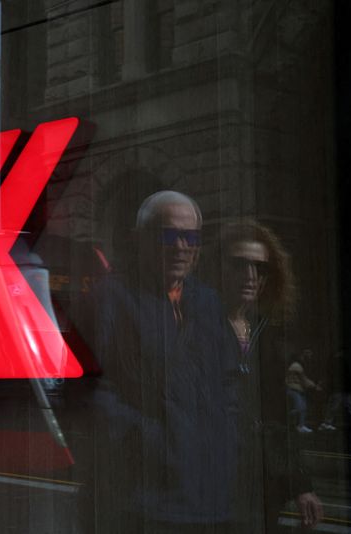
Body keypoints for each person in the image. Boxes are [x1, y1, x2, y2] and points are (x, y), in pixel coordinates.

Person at [93, 191, 238, 532]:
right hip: (143, 501)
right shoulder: (109, 297)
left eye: (191, 237)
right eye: (168, 236)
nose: (181, 247)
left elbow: (229, 382)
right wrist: (150, 440)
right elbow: (90, 389)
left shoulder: (207, 300)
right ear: (140, 240)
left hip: (209, 496)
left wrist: (227, 442)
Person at [219, 220, 323, 530]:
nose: (250, 276)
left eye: (260, 268)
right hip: (213, 482)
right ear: (220, 267)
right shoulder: (199, 323)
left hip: (262, 485)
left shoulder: (266, 332)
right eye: (240, 264)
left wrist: (301, 484)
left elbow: (278, 416)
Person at [319, 349, 351, 431]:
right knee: (336, 406)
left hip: (342, 388)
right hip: (341, 388)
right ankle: (326, 423)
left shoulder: (335, 361)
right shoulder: (338, 362)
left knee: (346, 406)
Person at [286, 349, 322, 433]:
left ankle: (300, 425)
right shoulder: (296, 366)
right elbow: (304, 379)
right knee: (299, 408)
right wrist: (314, 386)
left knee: (302, 408)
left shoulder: (299, 365)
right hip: (294, 390)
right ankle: (296, 424)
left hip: (298, 390)